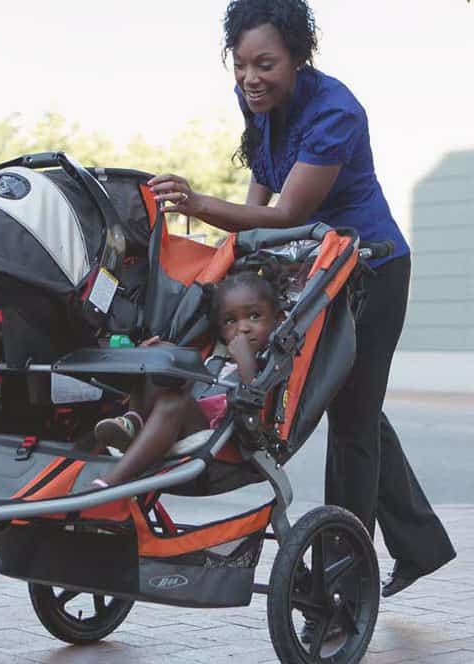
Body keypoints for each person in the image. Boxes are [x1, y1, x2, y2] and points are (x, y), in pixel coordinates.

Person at [147, 0, 455, 601]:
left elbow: (289, 212)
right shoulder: (258, 104)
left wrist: (200, 204)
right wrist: (235, 254)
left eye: (265, 64)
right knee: (357, 405)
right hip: (313, 270)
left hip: (370, 272)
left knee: (352, 421)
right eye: (239, 66)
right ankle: (420, 546)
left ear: (297, 57)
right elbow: (261, 195)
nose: (250, 78)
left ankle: (343, 581)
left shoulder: (335, 110)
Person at [93, 271, 281, 487]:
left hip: (214, 435)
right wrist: (148, 356)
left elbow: (255, 410)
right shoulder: (215, 356)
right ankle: (134, 420)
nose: (243, 328)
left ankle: (110, 481)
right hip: (173, 417)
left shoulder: (269, 365)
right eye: (231, 321)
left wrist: (247, 362)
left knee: (174, 401)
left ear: (277, 320)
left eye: (254, 316)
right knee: (165, 354)